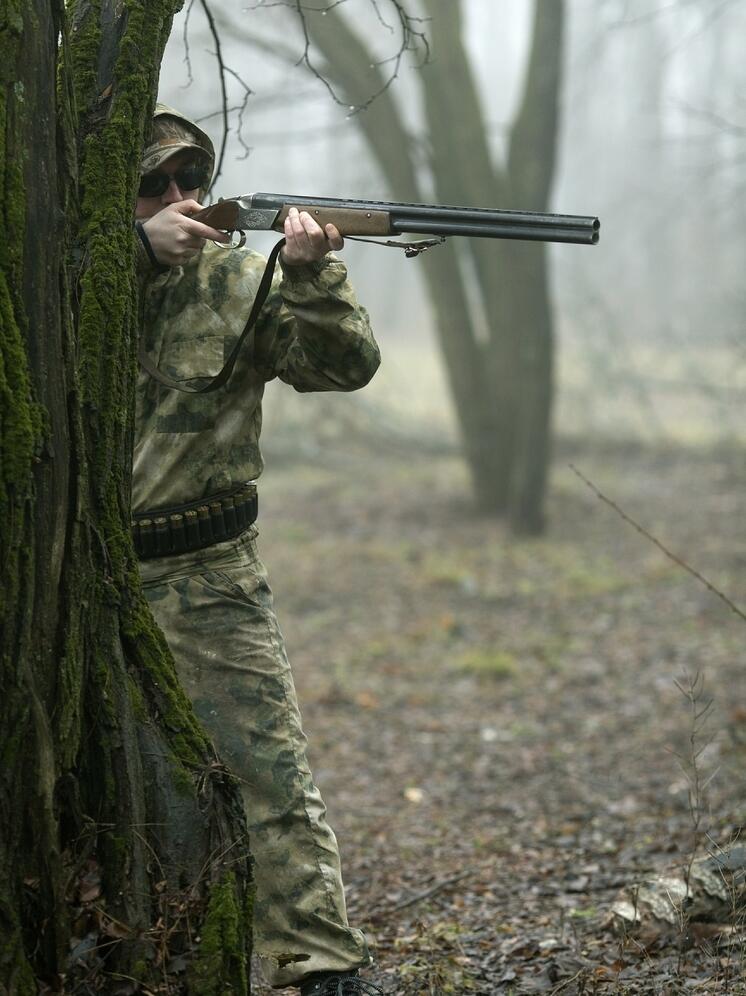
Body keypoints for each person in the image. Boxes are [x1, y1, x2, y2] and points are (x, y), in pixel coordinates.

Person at [133, 104, 385, 996]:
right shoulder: (61, 280)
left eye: (189, 180)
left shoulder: (241, 277)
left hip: (207, 575)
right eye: (153, 186)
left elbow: (343, 367)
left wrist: (314, 274)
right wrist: (129, 261)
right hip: (83, 577)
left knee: (270, 783)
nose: (178, 199)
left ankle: (320, 969)